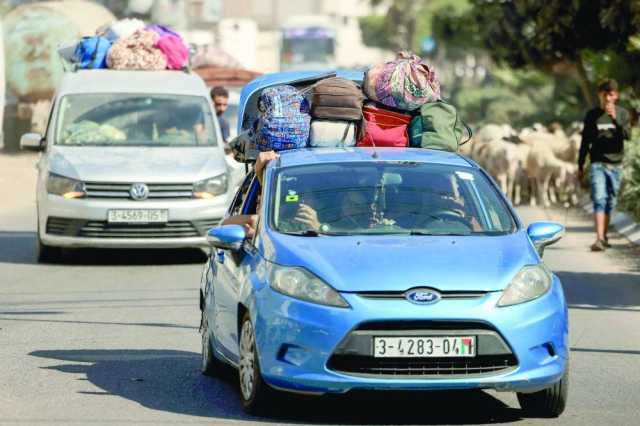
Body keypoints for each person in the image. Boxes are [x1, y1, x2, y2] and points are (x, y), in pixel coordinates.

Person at [578, 79, 632, 251]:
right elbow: (585, 141)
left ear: (616, 96)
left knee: (610, 202)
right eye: (604, 94)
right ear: (599, 95)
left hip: (616, 164)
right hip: (597, 164)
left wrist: (615, 119)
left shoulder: (623, 114)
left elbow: (627, 135)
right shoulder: (592, 115)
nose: (607, 98)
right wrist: (580, 165)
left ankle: (604, 235)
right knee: (599, 199)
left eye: (611, 94)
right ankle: (599, 238)